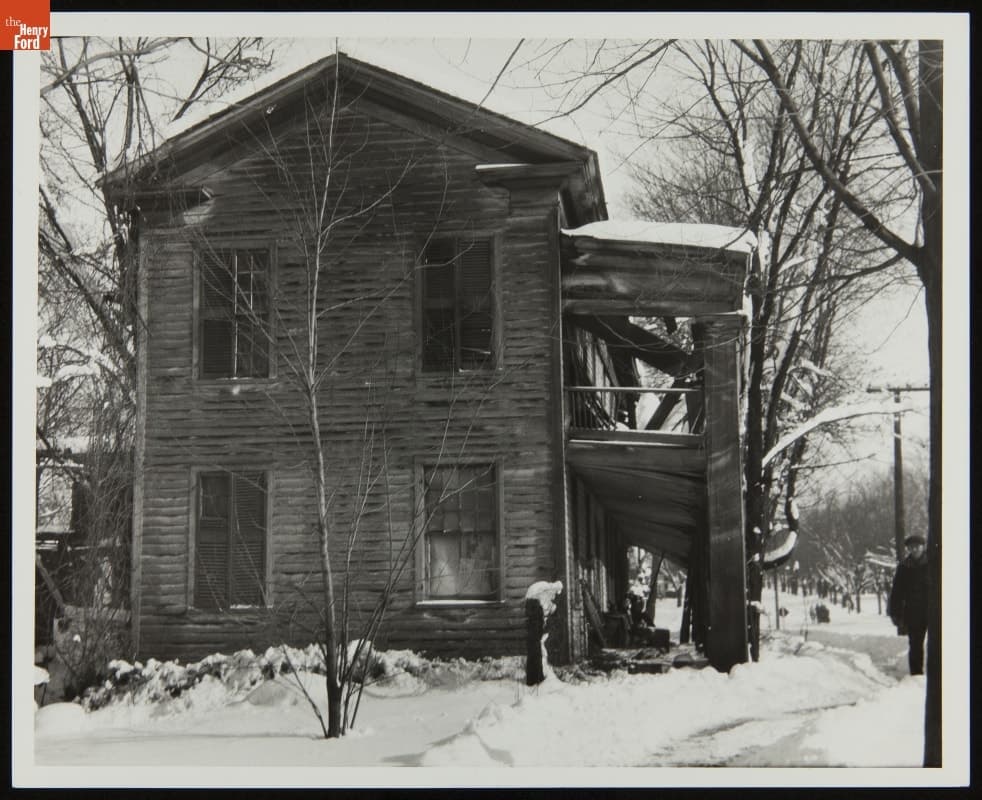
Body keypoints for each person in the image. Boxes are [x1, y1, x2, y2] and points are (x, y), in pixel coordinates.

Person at [888, 534, 929, 675]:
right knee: (915, 645)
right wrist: (895, 613)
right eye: (911, 547)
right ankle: (916, 675)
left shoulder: (933, 564)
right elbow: (897, 592)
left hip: (933, 611)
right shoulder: (904, 567)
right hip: (914, 613)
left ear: (923, 547)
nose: (915, 549)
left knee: (938, 644)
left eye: (917, 546)